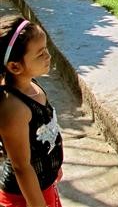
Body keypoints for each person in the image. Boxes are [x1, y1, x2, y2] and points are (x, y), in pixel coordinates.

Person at [0, 15, 63, 207]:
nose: (48, 56)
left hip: (44, 186)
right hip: (25, 198)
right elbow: (22, 166)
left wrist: (54, 169)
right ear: (15, 66)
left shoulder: (32, 85)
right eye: (40, 53)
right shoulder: (15, 109)